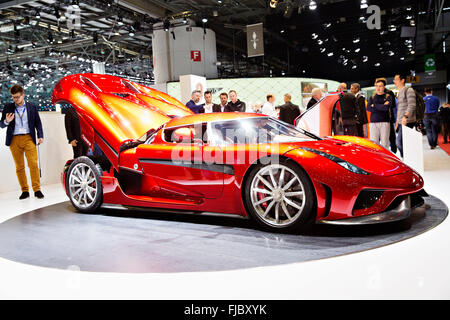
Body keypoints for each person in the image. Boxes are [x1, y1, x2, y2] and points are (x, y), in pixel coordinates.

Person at [0, 84, 44, 200]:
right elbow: (1, 125)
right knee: (19, 167)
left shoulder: (32, 107)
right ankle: (25, 190)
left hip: (28, 138)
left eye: (17, 97)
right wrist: (6, 121)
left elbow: (37, 123)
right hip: (14, 139)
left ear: (23, 95)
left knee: (33, 164)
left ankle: (37, 189)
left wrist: (40, 135)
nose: (15, 99)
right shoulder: (8, 107)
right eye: (13, 97)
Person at [366, 79, 394, 149]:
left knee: (385, 144)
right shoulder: (372, 97)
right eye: (377, 86)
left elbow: (386, 108)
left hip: (385, 122)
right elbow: (368, 108)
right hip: (373, 123)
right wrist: (382, 106)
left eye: (380, 86)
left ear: (384, 87)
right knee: (374, 144)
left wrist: (374, 106)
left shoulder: (388, 97)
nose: (378, 88)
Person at [393, 74, 416, 157]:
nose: (394, 81)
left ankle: (407, 158)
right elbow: (399, 108)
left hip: (407, 120)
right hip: (400, 121)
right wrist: (397, 122)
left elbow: (412, 105)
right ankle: (407, 158)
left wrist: (405, 117)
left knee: (399, 142)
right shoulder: (400, 92)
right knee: (402, 142)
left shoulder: (409, 90)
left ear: (402, 80)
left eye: (396, 79)